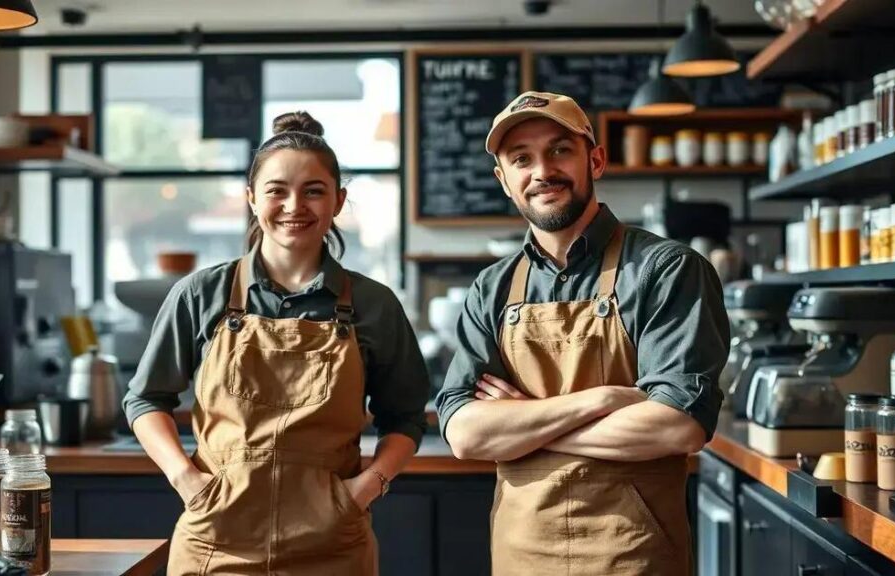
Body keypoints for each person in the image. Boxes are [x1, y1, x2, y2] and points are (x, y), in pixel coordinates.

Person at [124, 111, 430, 575]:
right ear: (251, 198)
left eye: (313, 191)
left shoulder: (374, 304)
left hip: (332, 545)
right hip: (215, 541)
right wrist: (186, 479)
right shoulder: (200, 293)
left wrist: (367, 487)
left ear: (338, 200)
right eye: (276, 190)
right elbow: (145, 399)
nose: (294, 206)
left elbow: (406, 417)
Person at [436, 91, 729, 575]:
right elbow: (465, 435)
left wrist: (520, 424)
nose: (541, 171)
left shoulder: (667, 270)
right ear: (504, 181)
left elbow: (678, 424)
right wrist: (602, 400)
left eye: (559, 150)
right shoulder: (492, 287)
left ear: (595, 159)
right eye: (521, 159)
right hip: (521, 556)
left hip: (633, 557)